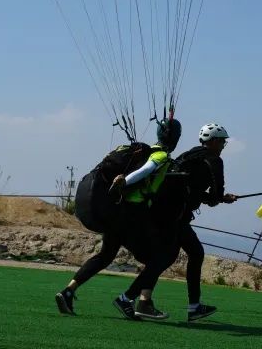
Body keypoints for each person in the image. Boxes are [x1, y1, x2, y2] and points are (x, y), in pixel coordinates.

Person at [55, 117, 182, 320]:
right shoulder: (160, 155)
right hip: (132, 216)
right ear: (176, 139)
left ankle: (68, 291)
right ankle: (136, 301)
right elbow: (145, 171)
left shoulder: (144, 151)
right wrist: (124, 182)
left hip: (117, 213)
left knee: (105, 256)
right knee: (159, 259)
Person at [151, 122, 238, 321]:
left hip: (163, 211)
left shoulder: (189, 155)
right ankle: (191, 306)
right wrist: (222, 198)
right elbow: (214, 198)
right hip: (177, 216)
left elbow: (194, 190)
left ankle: (141, 298)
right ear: (214, 141)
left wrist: (213, 198)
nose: (224, 145)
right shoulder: (215, 160)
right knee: (191, 254)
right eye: (222, 142)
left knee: (171, 255)